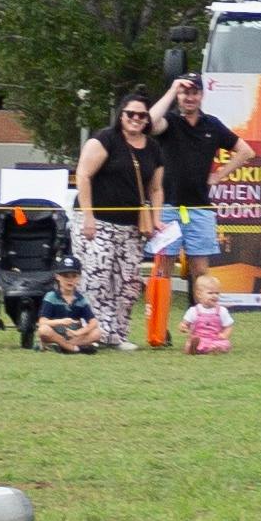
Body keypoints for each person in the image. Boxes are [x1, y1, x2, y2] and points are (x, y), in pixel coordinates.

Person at [151, 72, 247, 313]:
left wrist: (218, 175)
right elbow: (150, 123)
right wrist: (173, 88)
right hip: (169, 207)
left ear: (201, 95)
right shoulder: (169, 123)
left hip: (200, 209)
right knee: (163, 269)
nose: (189, 98)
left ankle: (201, 323)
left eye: (194, 92)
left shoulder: (212, 125)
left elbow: (246, 151)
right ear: (179, 96)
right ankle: (159, 329)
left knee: (201, 272)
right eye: (185, 93)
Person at [76, 96, 158, 346]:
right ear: (121, 115)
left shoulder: (153, 148)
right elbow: (83, 174)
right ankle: (94, 333)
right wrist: (88, 216)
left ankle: (118, 334)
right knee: (97, 280)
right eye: (131, 113)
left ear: (147, 119)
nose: (136, 119)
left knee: (128, 284)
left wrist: (157, 220)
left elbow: (156, 189)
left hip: (132, 228)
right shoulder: (105, 140)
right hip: (99, 222)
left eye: (141, 115)